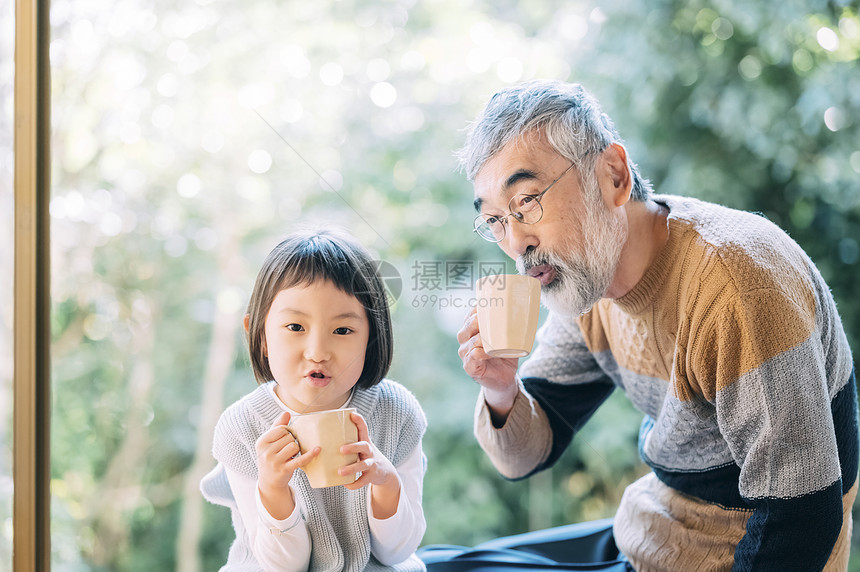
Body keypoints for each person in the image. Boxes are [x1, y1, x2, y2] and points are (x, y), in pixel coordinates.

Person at [455, 79, 857, 571]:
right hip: (650, 537)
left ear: (613, 176)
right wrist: (501, 389)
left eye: (527, 201)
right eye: (495, 219)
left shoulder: (736, 284)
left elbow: (801, 518)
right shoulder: (588, 283)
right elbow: (526, 456)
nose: (516, 242)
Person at [201, 228, 428, 572]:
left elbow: (396, 553)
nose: (318, 352)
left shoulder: (396, 412)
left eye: (342, 330)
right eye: (295, 327)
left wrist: (386, 482)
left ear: (371, 339)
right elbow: (283, 567)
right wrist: (274, 491)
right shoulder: (242, 428)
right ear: (259, 335)